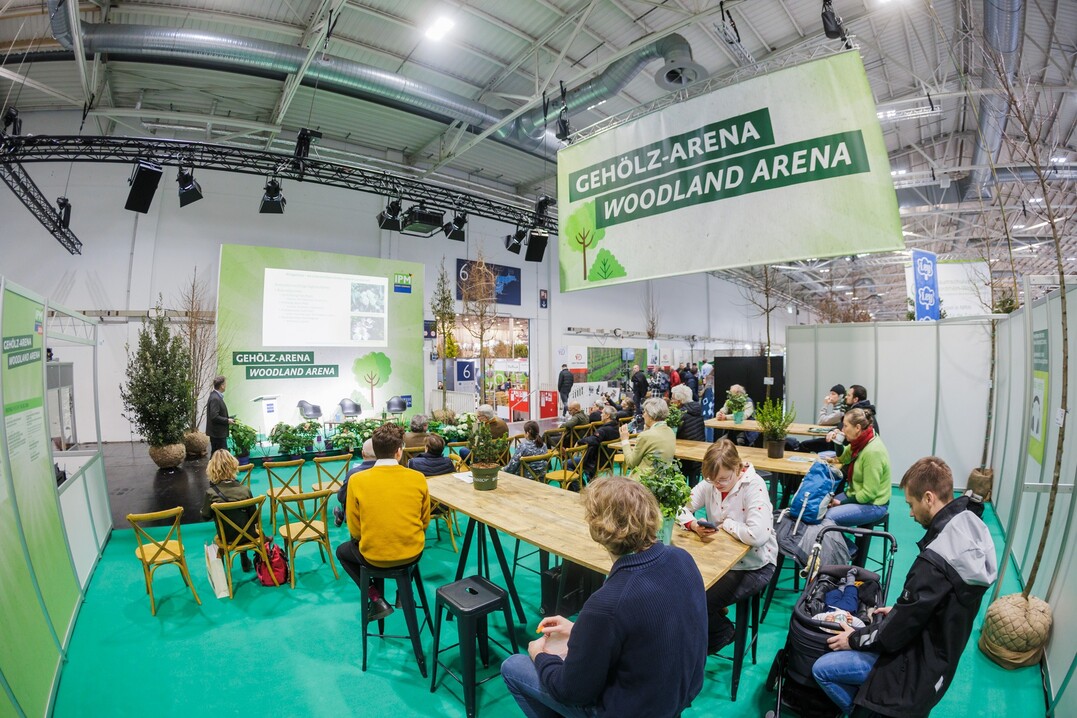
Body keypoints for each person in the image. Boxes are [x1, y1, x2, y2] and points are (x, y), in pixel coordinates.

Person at [501, 475, 708, 718]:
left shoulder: (608, 602)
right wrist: (582, 630)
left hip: (631, 710)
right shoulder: (682, 558)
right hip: (672, 701)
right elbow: (646, 631)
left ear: (597, 529)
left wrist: (541, 656)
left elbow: (571, 691)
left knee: (513, 666)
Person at [812, 457, 997, 717]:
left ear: (929, 498)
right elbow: (935, 606)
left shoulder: (933, 563)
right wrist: (902, 611)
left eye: (911, 504)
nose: (910, 513)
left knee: (822, 669)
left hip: (911, 668)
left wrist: (853, 639)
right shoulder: (966, 531)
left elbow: (891, 636)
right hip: (937, 664)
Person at [678, 439, 776, 653]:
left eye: (723, 479)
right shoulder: (711, 482)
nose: (717, 484)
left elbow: (757, 535)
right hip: (722, 560)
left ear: (738, 468)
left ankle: (722, 633)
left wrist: (728, 525)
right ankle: (712, 616)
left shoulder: (754, 486)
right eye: (712, 480)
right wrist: (693, 523)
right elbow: (678, 505)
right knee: (679, 591)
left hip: (755, 564)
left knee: (696, 600)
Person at [335, 423, 430, 622]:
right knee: (415, 540)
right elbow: (424, 521)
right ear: (399, 452)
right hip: (413, 553)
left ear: (374, 452)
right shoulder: (418, 478)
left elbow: (354, 528)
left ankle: (376, 598)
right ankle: (404, 593)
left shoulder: (357, 480)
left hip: (373, 556)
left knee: (342, 552)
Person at [826, 408, 891, 532]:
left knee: (829, 517)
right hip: (855, 495)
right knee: (822, 507)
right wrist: (837, 440)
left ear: (857, 428)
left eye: (845, 426)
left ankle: (849, 551)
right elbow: (844, 457)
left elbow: (868, 494)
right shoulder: (861, 441)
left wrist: (841, 503)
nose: (843, 430)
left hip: (874, 504)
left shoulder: (872, 451)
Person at [200, 449, 256, 572]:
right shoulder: (245, 490)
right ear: (234, 466)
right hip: (249, 536)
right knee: (242, 523)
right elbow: (254, 518)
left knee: (230, 525)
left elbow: (205, 516)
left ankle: (223, 573)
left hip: (227, 538)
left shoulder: (211, 493)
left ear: (212, 469)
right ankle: (245, 560)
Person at [618, 397, 676, 474]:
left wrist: (624, 440)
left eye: (644, 412)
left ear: (651, 415)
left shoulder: (645, 436)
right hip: (660, 478)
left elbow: (631, 463)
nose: (643, 415)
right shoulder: (670, 431)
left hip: (642, 481)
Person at [334, 439, 376, 527]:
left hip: (359, 518)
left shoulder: (353, 473)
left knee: (348, 496)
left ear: (363, 454)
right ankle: (340, 515)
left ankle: (341, 515)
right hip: (381, 512)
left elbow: (341, 498)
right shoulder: (389, 470)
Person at [670, 384, 705, 485]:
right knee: (694, 487)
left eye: (673, 398)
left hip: (684, 457)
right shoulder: (697, 409)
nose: (671, 401)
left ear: (679, 401)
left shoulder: (680, 414)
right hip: (698, 455)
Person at [800, 384, 847, 453]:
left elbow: (821, 421)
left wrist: (825, 404)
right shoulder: (839, 409)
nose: (829, 396)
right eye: (830, 393)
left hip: (833, 442)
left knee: (804, 444)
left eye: (833, 394)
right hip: (832, 439)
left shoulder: (840, 412)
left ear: (840, 397)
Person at [205, 375, 234, 456]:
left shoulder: (215, 396)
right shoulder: (215, 398)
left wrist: (228, 418)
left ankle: (212, 468)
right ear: (222, 386)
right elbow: (214, 416)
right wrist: (227, 420)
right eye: (225, 384)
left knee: (216, 456)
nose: (226, 385)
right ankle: (213, 469)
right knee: (219, 457)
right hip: (217, 434)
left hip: (217, 434)